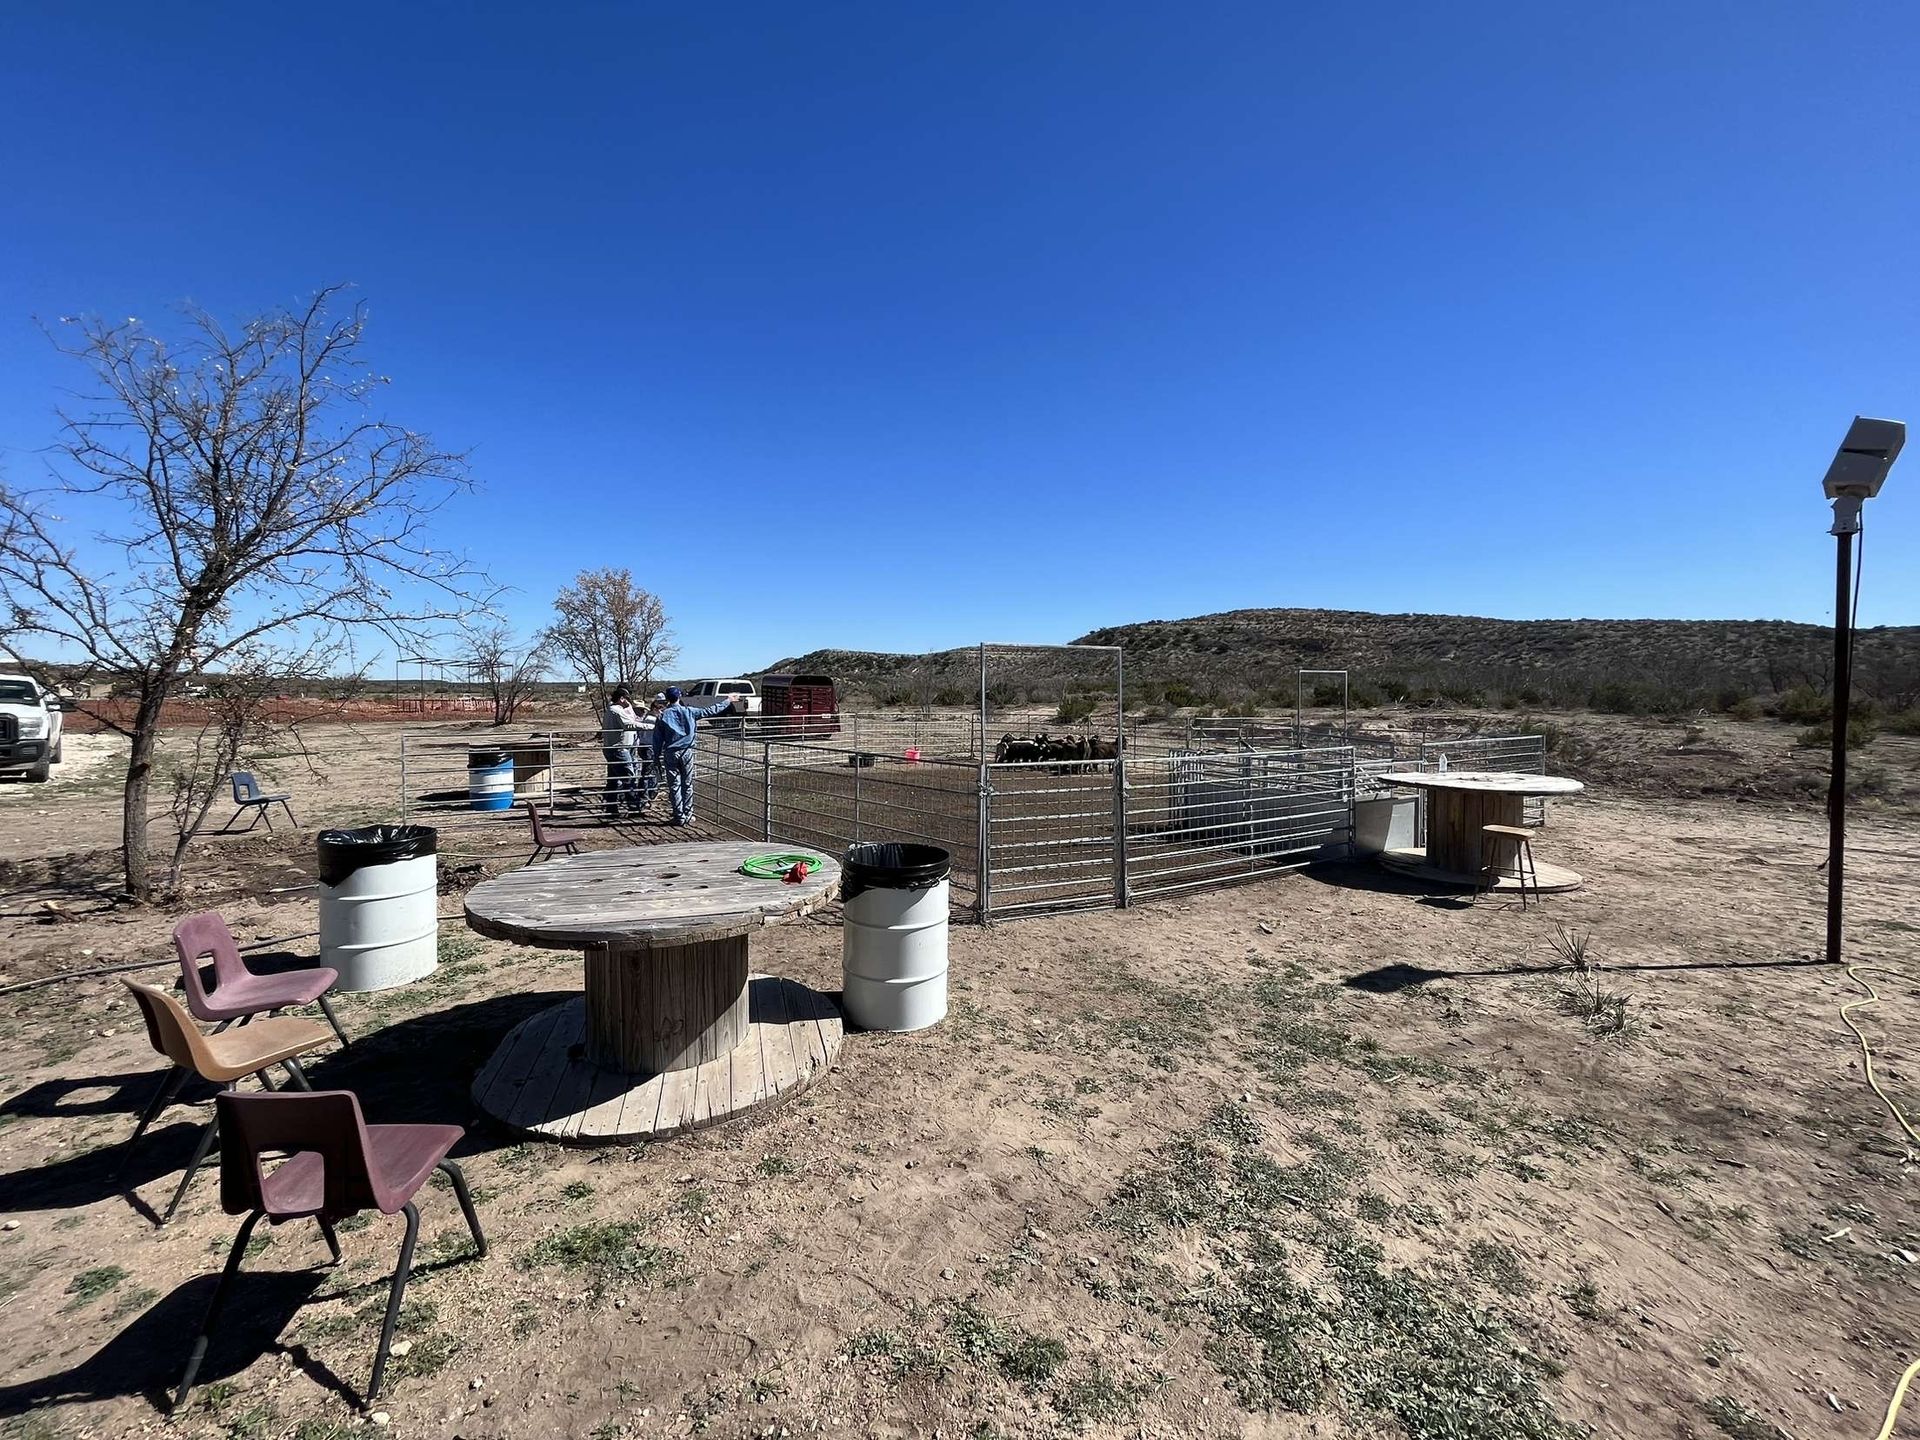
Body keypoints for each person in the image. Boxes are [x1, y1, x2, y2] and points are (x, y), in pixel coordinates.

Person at [649, 685, 744, 826]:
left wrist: (656, 758)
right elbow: (710, 710)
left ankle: (679, 816)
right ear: (679, 696)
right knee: (687, 784)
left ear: (667, 699)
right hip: (687, 751)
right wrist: (727, 700)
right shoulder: (689, 712)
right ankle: (688, 813)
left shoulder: (663, 716)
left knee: (674, 785)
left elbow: (657, 740)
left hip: (671, 752)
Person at [599, 687, 643, 817]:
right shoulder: (616, 711)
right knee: (628, 778)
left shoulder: (610, 710)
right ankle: (634, 808)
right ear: (622, 698)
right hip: (619, 748)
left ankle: (611, 808)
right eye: (627, 698)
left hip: (612, 748)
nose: (629, 701)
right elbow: (630, 724)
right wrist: (651, 726)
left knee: (613, 779)